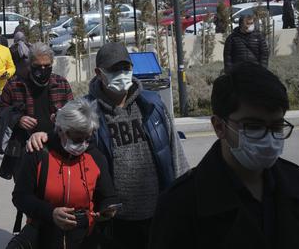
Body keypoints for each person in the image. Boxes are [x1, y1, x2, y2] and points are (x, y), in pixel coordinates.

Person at [27, 42, 189, 248]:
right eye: (114, 69)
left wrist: (183, 197)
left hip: (157, 213)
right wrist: (42, 136)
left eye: (126, 68)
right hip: (112, 220)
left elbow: (175, 153)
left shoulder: (152, 104)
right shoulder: (88, 109)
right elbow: (65, 134)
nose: (122, 74)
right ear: (99, 73)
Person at [148, 63, 299, 249]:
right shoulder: (179, 204)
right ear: (219, 127)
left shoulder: (297, 182)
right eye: (254, 126)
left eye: (277, 126)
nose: (269, 138)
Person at [11, 99, 118, 249]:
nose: (83, 144)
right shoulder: (38, 154)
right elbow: (20, 197)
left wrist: (108, 208)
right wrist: (51, 213)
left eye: (88, 138)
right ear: (61, 129)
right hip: (44, 237)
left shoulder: (96, 157)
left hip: (85, 239)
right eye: (78, 138)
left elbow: (108, 196)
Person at [0, 43, 73, 179]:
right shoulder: (14, 85)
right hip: (24, 149)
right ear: (30, 64)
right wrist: (18, 119)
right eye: (38, 66)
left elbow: (74, 114)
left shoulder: (61, 84)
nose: (42, 69)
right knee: (24, 193)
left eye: (47, 66)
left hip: (55, 147)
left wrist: (61, 117)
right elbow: (0, 111)